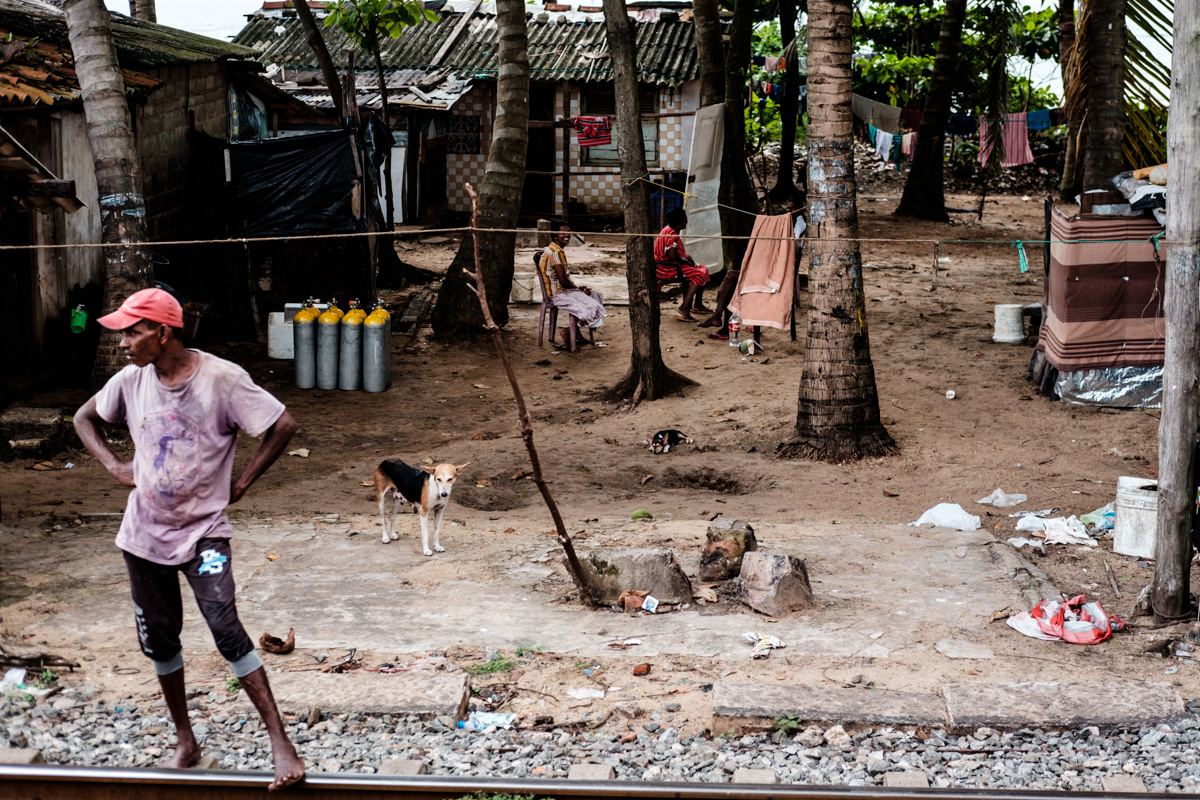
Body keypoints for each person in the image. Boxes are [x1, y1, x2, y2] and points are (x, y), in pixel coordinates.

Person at [73, 288, 305, 791]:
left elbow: (281, 425)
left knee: (224, 626)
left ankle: (279, 741)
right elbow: (83, 418)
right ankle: (186, 739)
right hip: (143, 536)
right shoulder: (132, 381)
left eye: (132, 333)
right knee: (159, 639)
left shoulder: (221, 379)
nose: (124, 343)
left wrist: (242, 483)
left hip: (204, 534)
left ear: (163, 333)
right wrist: (114, 465)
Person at [697, 191, 808, 339]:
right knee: (732, 276)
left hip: (778, 272)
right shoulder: (789, 222)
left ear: (800, 209)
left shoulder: (799, 225)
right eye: (787, 209)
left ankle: (723, 324)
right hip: (768, 267)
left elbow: (788, 247)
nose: (789, 212)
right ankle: (719, 319)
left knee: (733, 279)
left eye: (792, 209)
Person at [538, 222, 605, 347]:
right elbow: (563, 281)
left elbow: (563, 279)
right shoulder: (554, 253)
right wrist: (578, 290)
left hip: (564, 290)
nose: (567, 235)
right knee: (592, 305)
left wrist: (578, 288)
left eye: (568, 231)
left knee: (595, 294)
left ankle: (577, 332)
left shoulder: (557, 250)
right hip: (557, 294)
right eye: (562, 232)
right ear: (555, 235)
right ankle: (568, 332)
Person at [653, 208, 711, 322]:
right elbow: (672, 256)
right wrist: (685, 260)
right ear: (679, 223)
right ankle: (684, 308)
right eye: (685, 219)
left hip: (667, 265)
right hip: (668, 268)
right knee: (698, 275)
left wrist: (685, 258)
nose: (687, 221)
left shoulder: (667, 229)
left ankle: (697, 304)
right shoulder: (672, 235)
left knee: (703, 269)